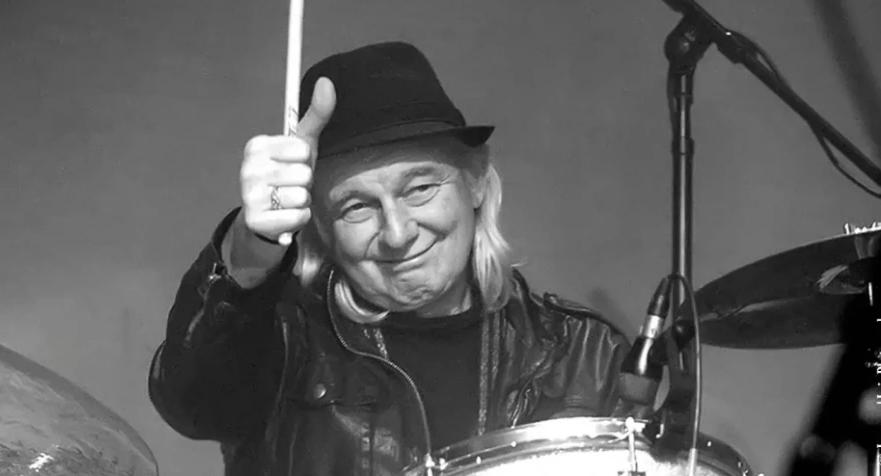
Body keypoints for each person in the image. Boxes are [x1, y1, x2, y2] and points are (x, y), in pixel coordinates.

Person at [148, 41, 631, 476]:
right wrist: (253, 244)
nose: (397, 234)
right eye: (356, 207)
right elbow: (193, 404)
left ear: (476, 181)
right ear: (320, 225)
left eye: (420, 188)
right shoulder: (283, 339)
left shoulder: (583, 354)